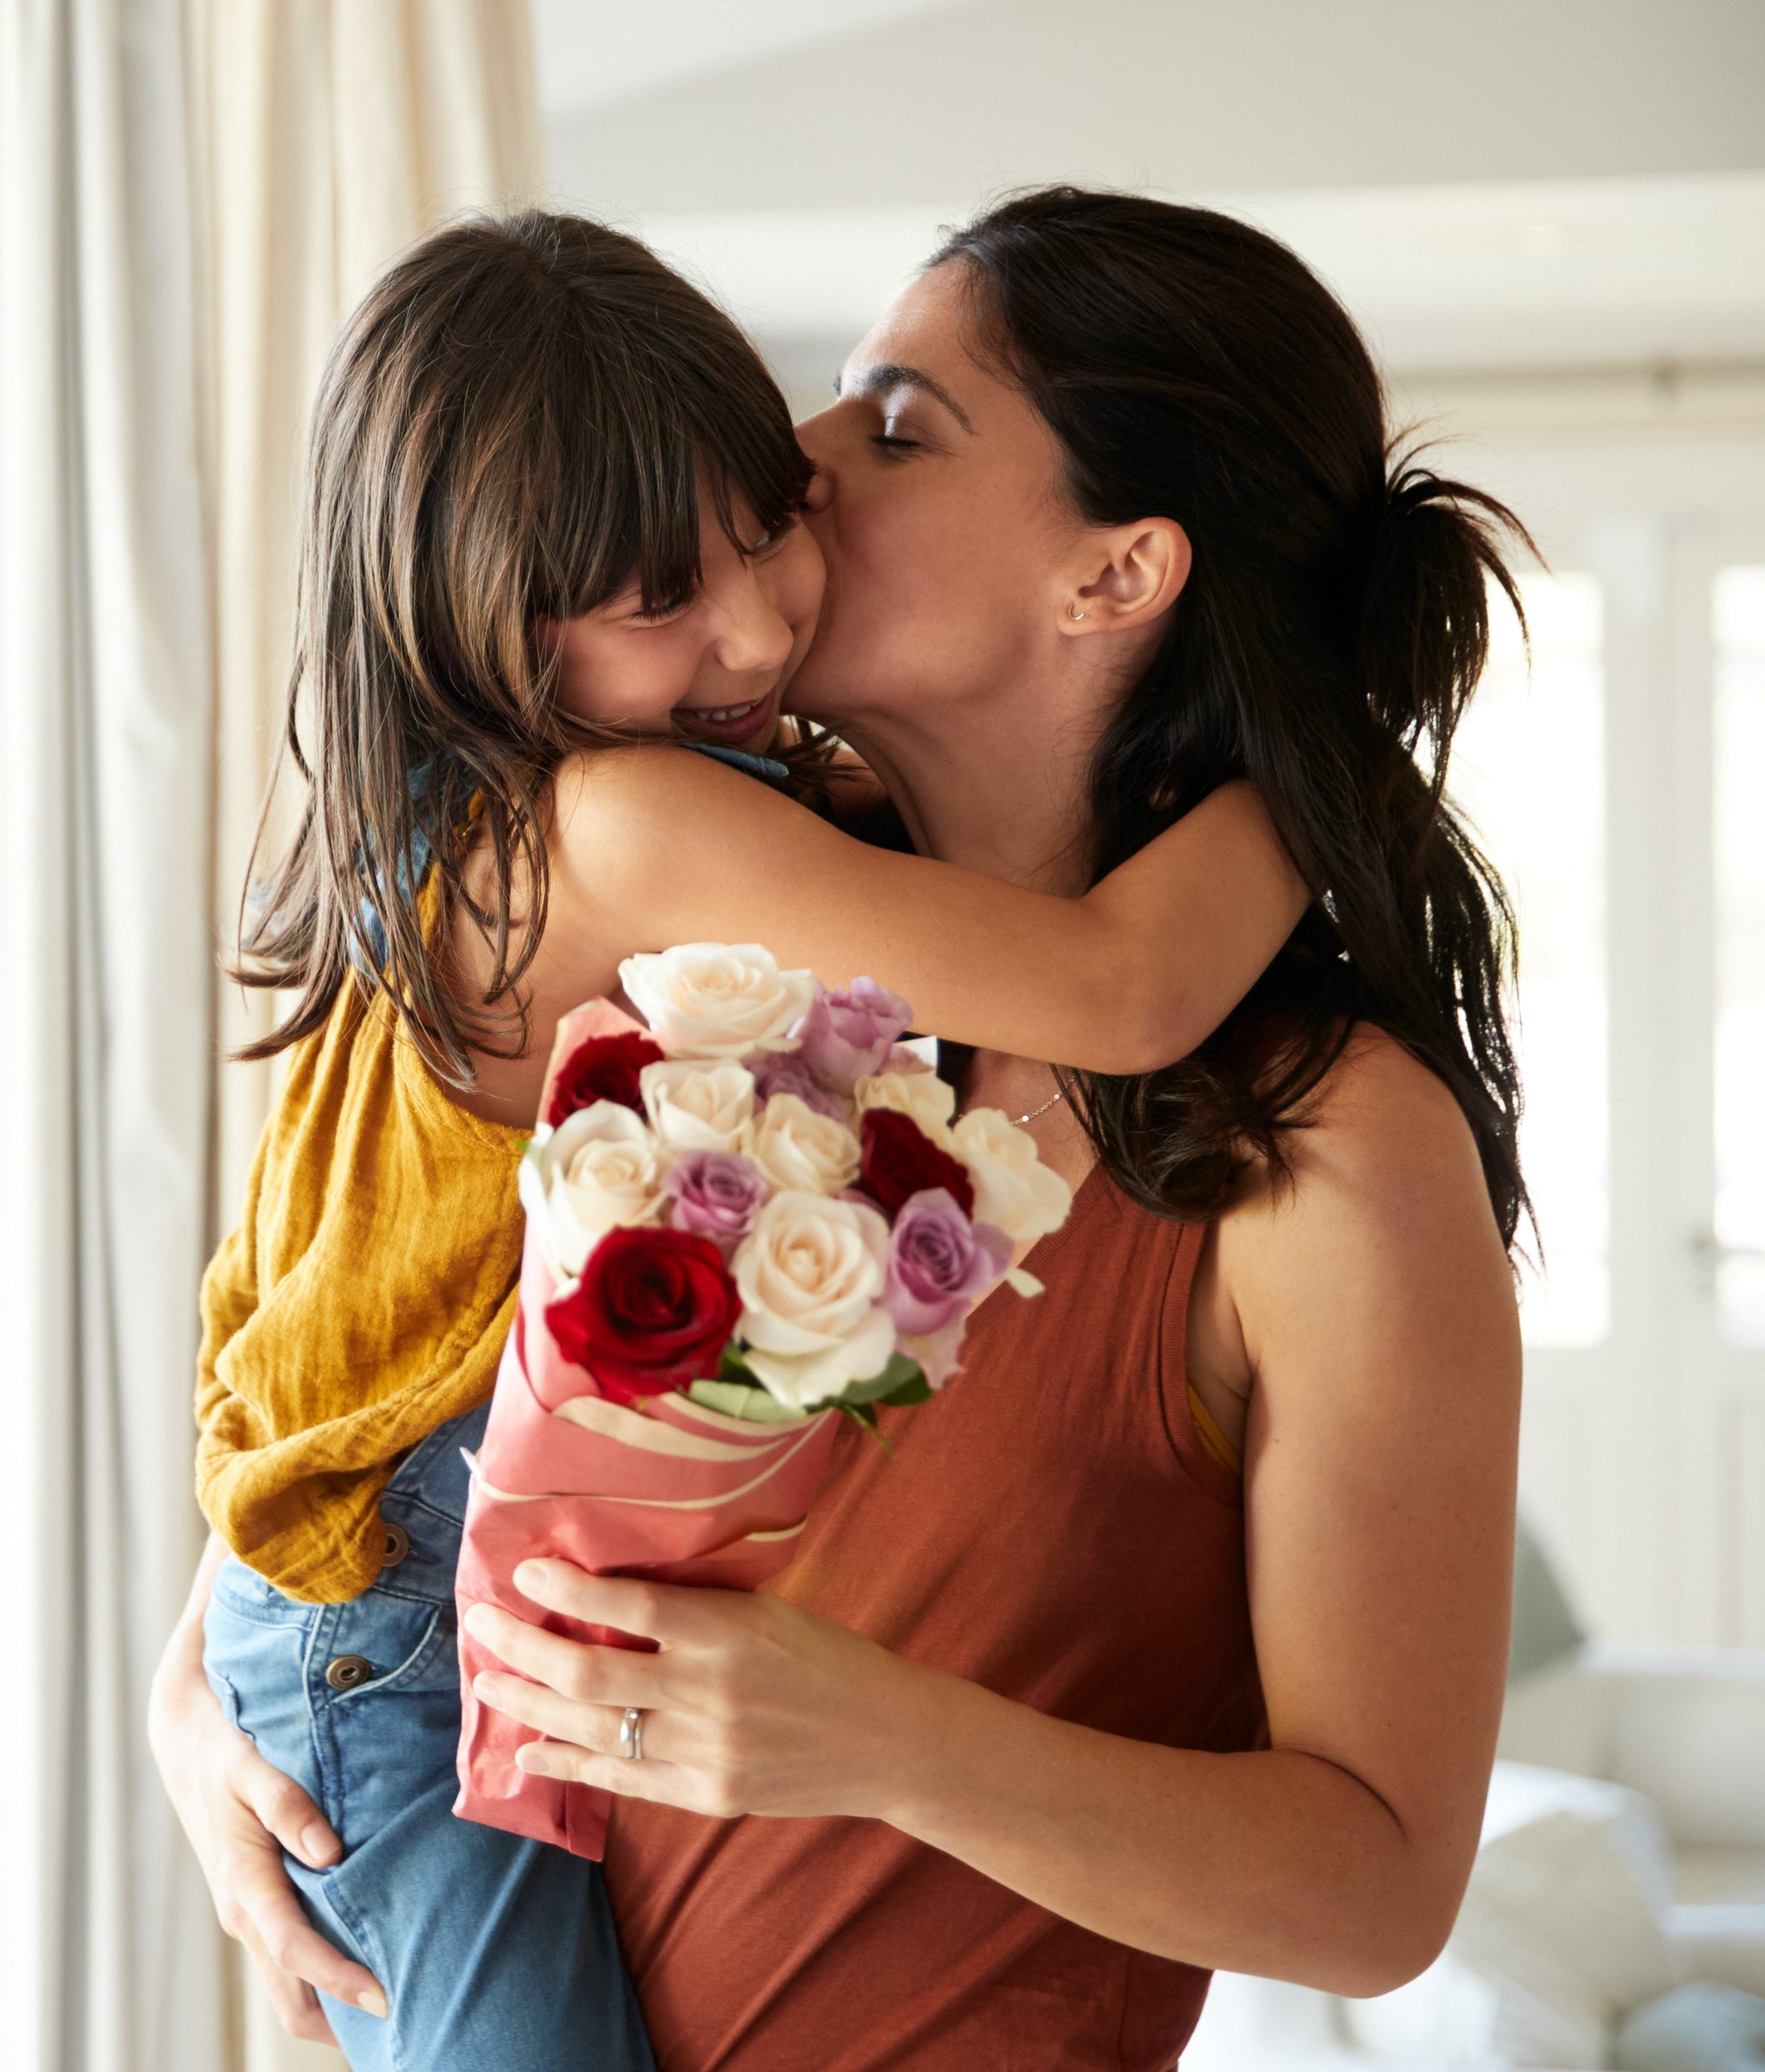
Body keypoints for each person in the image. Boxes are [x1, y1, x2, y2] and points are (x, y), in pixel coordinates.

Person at [155, 208, 1310, 2071]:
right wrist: (1342, 779)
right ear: (485, 622)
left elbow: (310, 1310)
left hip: (378, 1564)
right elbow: (1116, 988)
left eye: (762, 520)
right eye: (658, 601)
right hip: (388, 1616)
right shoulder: (617, 827)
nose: (762, 620)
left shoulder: (533, 811)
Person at [453, 188, 1528, 2068]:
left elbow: (1380, 1886)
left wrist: (881, 1738)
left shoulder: (1337, 1155)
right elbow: (376, 1367)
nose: (787, 462)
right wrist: (214, 1679)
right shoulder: (697, 970)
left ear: (1114, 576)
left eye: (894, 422)